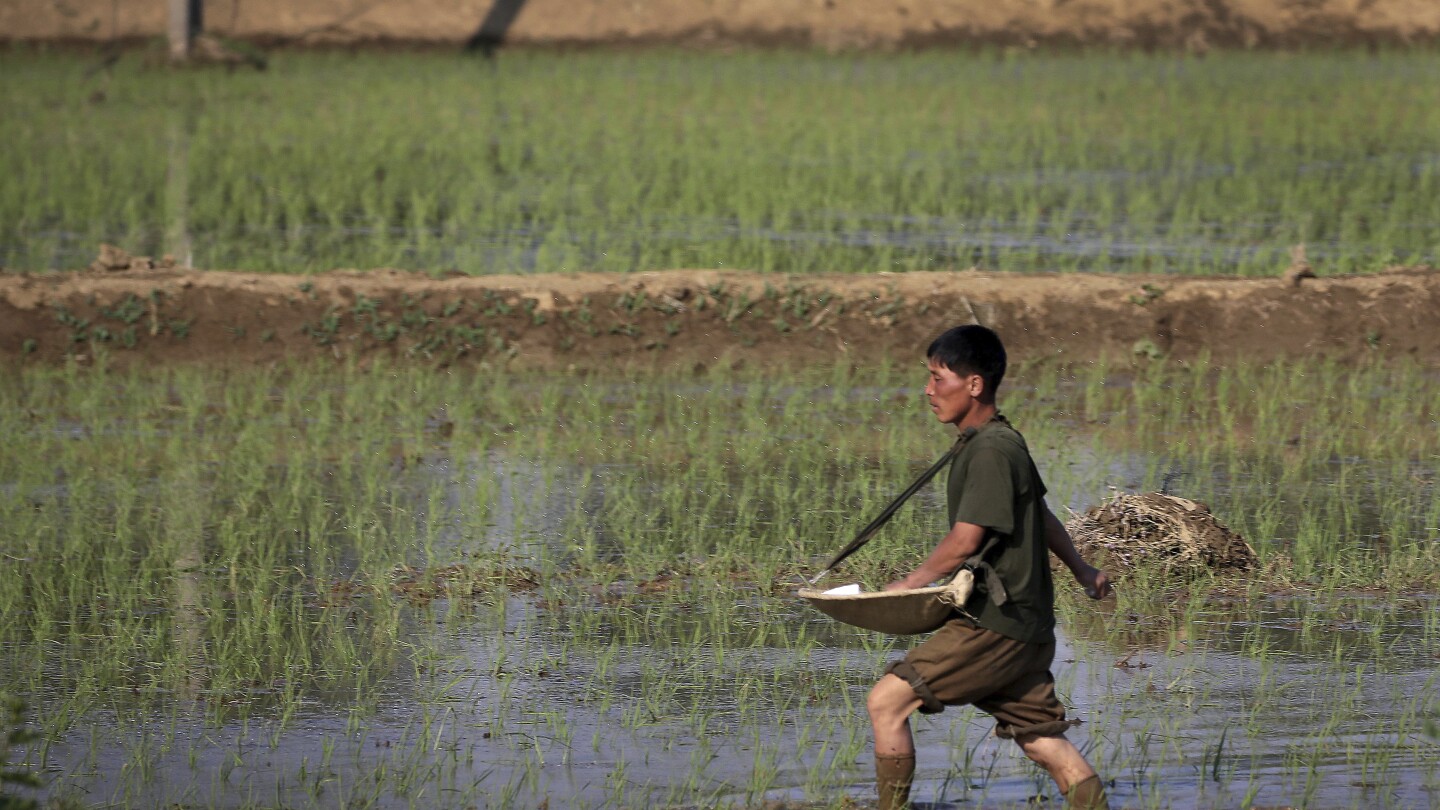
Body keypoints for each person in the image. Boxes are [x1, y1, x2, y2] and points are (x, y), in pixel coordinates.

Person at [866, 325, 1113, 810]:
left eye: (939, 378)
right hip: (1026, 626)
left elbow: (965, 541)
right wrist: (1084, 570)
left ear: (974, 384)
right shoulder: (998, 440)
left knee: (887, 702)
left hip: (995, 626)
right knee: (1043, 743)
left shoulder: (992, 450)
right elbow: (1036, 514)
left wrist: (910, 583)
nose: (928, 390)